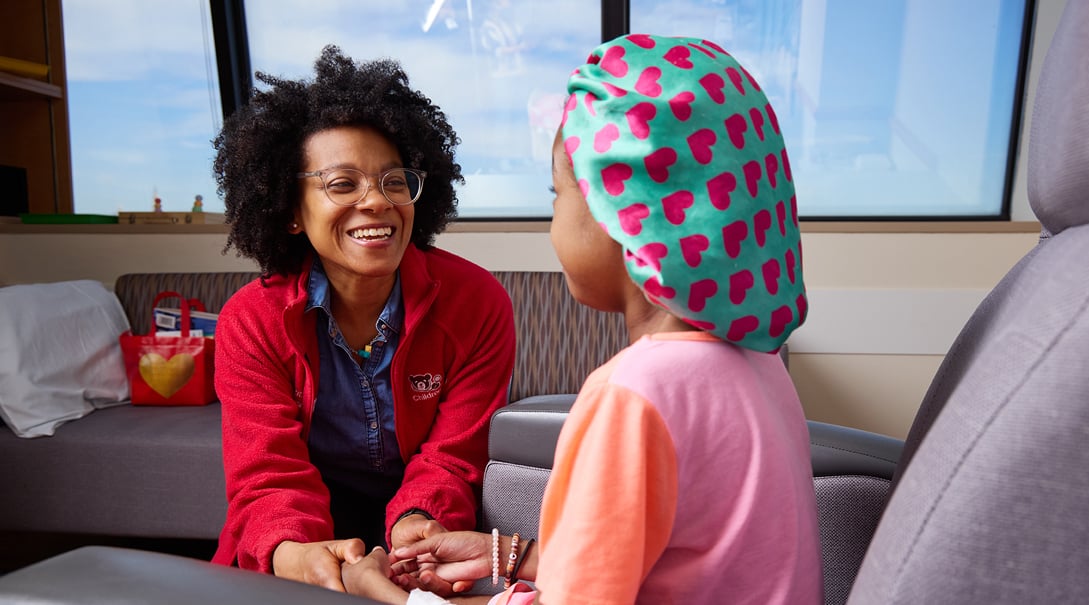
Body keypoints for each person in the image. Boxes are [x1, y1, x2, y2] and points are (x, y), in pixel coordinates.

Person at [338, 33, 822, 605]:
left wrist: (392, 600)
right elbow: (664, 559)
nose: (553, 219)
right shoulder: (760, 366)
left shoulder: (633, 395)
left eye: (557, 193)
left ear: (620, 208)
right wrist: (503, 555)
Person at [208, 45, 517, 593]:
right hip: (304, 537)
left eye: (394, 181)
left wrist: (416, 526)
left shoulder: (477, 302)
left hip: (427, 536)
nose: (377, 202)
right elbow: (266, 474)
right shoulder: (251, 321)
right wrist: (294, 554)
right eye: (342, 184)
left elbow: (453, 454)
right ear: (290, 210)